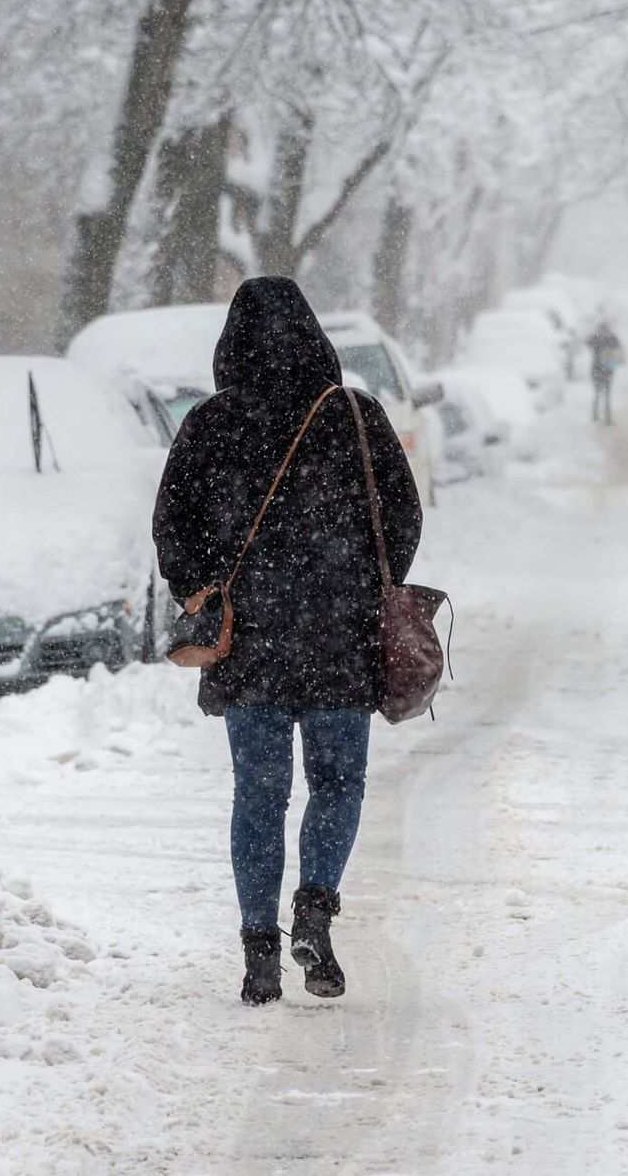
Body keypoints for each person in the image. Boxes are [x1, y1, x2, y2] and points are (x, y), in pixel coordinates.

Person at [152, 276, 423, 1006]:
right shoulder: (355, 416)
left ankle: (258, 952)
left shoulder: (210, 425)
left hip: (250, 642)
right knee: (337, 782)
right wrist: (371, 582)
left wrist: (201, 590)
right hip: (340, 637)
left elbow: (170, 526)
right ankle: (313, 907)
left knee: (260, 794)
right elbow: (403, 515)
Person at [588, 319, 626, 424]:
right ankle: (595, 416)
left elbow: (618, 349)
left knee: (607, 395)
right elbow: (588, 342)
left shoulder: (612, 339)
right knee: (597, 393)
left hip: (608, 370)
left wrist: (609, 338)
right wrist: (598, 337)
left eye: (606, 329)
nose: (604, 331)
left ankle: (608, 417)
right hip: (596, 370)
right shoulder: (595, 338)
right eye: (602, 329)